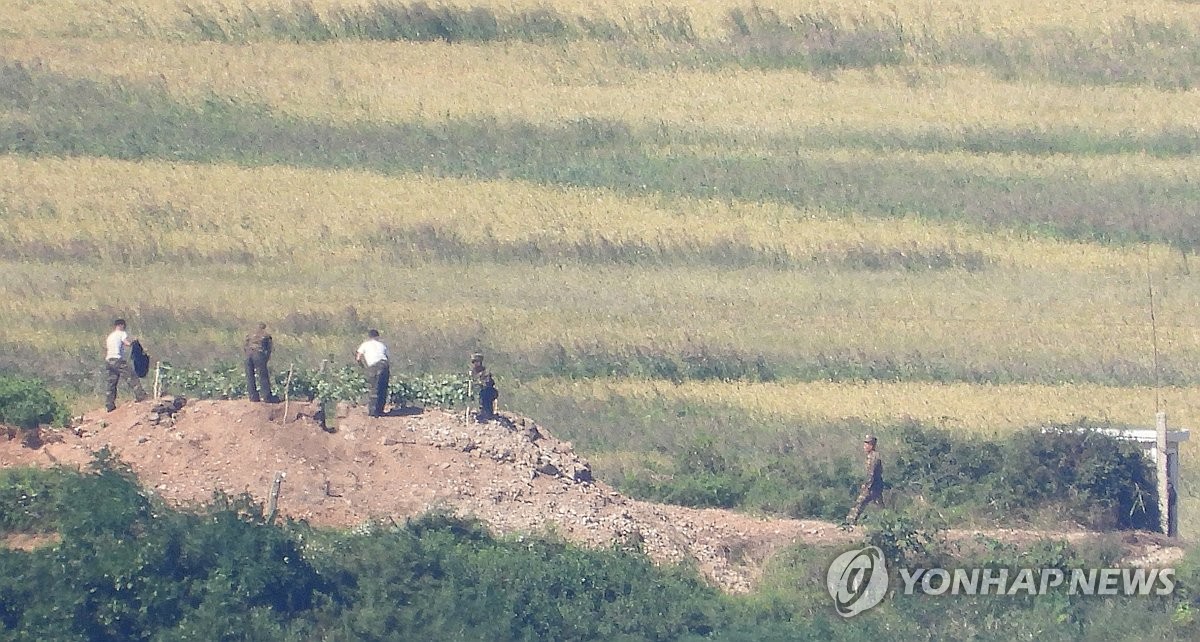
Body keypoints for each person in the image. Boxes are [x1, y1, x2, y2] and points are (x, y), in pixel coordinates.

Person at [104, 318, 147, 412]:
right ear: (121, 325)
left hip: (108, 360)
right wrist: (135, 342)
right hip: (117, 359)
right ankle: (141, 396)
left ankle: (109, 404)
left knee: (111, 383)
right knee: (131, 377)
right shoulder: (122, 333)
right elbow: (127, 343)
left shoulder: (110, 336)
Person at [844, 434, 885, 526]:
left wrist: (867, 486)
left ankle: (850, 522)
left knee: (860, 502)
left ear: (871, 445)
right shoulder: (875, 456)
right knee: (879, 505)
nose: (864, 446)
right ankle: (887, 521)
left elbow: (871, 473)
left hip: (873, 486)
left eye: (866, 444)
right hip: (877, 485)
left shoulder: (873, 457)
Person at [355, 329, 389, 417]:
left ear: (369, 337)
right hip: (384, 365)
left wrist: (363, 367)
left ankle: (372, 411)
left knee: (373, 388)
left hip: (374, 366)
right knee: (383, 388)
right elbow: (387, 357)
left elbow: (358, 358)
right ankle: (380, 410)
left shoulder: (365, 344)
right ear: (377, 337)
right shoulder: (382, 345)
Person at [243, 322, 278, 403]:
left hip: (248, 354)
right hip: (258, 354)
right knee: (263, 375)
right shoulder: (266, 335)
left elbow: (245, 346)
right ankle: (267, 397)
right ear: (264, 327)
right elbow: (269, 348)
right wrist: (266, 359)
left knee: (249, 376)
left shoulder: (249, 335)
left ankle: (253, 397)